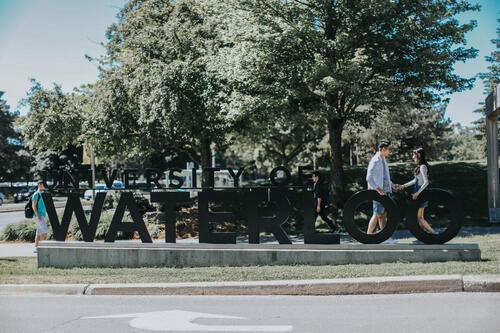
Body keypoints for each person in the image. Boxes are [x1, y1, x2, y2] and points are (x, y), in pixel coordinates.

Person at [366, 140, 400, 236]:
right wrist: (378, 189)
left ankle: (384, 236)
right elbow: (369, 177)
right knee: (377, 214)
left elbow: (384, 177)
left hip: (385, 191)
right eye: (389, 149)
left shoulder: (383, 159)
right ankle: (368, 235)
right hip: (378, 192)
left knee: (383, 214)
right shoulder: (375, 160)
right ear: (384, 149)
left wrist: (392, 185)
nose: (390, 151)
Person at [401, 147, 435, 233]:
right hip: (419, 192)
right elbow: (415, 181)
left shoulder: (423, 167)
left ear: (418, 155)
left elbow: (426, 182)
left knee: (419, 217)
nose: (412, 157)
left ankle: (434, 233)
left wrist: (418, 193)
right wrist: (403, 186)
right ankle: (423, 235)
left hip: (421, 193)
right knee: (420, 217)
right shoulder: (419, 166)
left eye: (414, 155)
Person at [32, 180, 48, 252]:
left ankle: (36, 248)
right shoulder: (36, 194)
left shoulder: (43, 194)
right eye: (41, 184)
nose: (43, 186)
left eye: (43, 184)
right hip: (38, 216)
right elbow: (33, 206)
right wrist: (38, 215)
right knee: (44, 231)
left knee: (39, 232)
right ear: (39, 185)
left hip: (43, 215)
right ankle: (42, 247)